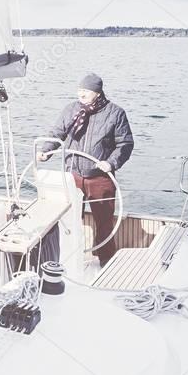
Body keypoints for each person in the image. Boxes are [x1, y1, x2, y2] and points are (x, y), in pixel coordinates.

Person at [37, 73, 134, 267]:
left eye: (86, 91)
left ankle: (106, 261)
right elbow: (57, 133)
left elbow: (125, 144)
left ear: (97, 93)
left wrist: (111, 163)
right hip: (72, 175)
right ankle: (68, 259)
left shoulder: (116, 113)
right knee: (69, 220)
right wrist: (45, 151)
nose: (81, 94)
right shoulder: (71, 109)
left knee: (104, 223)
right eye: (79, 90)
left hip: (100, 178)